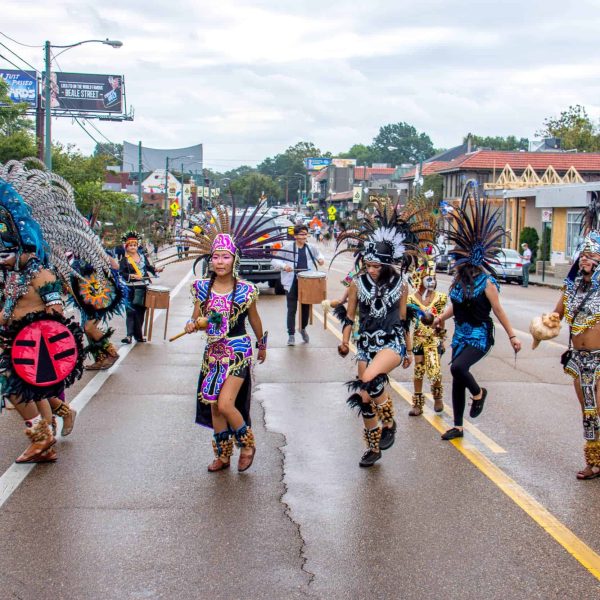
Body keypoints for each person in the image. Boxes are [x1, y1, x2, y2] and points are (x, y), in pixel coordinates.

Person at [165, 200, 283, 472]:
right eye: (216, 256)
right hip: (213, 353)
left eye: (225, 256)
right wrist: (194, 324)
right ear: (211, 260)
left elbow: (254, 319)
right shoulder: (202, 288)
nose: (220, 261)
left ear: (234, 260)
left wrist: (262, 345)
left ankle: (248, 443)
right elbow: (196, 317)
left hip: (239, 350)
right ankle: (223, 455)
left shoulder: (246, 291)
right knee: (214, 406)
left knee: (226, 402)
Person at [0, 163, 92, 463]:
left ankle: (42, 436)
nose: (3, 260)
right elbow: (9, 310)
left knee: (15, 389)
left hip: (35, 347)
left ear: (26, 248)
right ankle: (48, 436)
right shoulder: (13, 277)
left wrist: (36, 335)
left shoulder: (43, 276)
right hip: (14, 343)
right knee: (28, 392)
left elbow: (54, 314)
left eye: (6, 253)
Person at [332, 199, 429, 467]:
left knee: (372, 380)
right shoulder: (356, 284)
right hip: (365, 345)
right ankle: (374, 448)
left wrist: (409, 350)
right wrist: (343, 341)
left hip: (391, 343)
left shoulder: (400, 284)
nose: (372, 270)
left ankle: (390, 422)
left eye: (377, 266)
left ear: (387, 264)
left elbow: (402, 318)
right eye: (368, 264)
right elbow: (349, 316)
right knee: (365, 399)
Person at [433, 181, 522, 441]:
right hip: (461, 334)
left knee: (458, 368)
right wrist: (440, 316)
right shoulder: (457, 281)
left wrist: (513, 335)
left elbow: (498, 310)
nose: (455, 261)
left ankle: (479, 393)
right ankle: (458, 426)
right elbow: (455, 305)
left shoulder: (487, 283)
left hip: (480, 335)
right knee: (457, 378)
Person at [546, 193, 600, 479]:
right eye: (583, 256)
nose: (585, 261)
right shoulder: (572, 288)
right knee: (587, 410)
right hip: (579, 360)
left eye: (592, 256)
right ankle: (594, 458)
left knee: (595, 408)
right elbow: (555, 317)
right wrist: (544, 326)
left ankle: (594, 463)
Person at [272, 223, 324, 346]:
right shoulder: (287, 248)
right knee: (292, 309)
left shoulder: (311, 247)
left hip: (307, 282)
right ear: (295, 236)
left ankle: (303, 328)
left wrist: (321, 259)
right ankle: (291, 334)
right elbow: (274, 260)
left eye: (306, 234)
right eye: (301, 234)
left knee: (306, 308)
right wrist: (284, 266)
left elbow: (319, 255)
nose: (304, 236)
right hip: (292, 282)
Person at [407, 260, 448, 415]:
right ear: (420, 278)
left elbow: (442, 319)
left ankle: (437, 397)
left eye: (434, 278)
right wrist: (408, 346)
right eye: (428, 278)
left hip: (433, 339)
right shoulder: (411, 300)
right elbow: (407, 322)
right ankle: (417, 404)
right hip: (418, 339)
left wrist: (442, 339)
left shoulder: (440, 298)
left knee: (434, 370)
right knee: (419, 370)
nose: (432, 281)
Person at [119, 230, 161, 344]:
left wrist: (156, 270)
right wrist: (131, 276)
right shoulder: (124, 260)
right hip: (130, 288)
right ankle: (128, 336)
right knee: (130, 311)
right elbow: (121, 273)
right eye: (130, 245)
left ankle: (139, 335)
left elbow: (148, 267)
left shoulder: (142, 257)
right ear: (126, 247)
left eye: (135, 245)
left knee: (140, 311)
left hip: (143, 287)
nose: (133, 247)